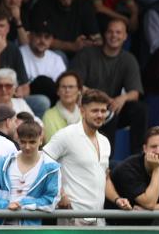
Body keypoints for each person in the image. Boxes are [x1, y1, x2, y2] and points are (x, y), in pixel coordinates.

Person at [42, 89, 132, 226]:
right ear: (82, 111)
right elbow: (43, 163)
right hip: (72, 217)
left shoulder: (104, 141)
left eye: (103, 111)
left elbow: (104, 177)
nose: (100, 115)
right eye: (95, 111)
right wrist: (59, 193)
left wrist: (117, 199)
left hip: (99, 218)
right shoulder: (66, 135)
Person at [70, 18, 148, 150]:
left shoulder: (128, 59)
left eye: (118, 32)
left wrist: (123, 98)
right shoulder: (87, 54)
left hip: (112, 107)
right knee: (109, 112)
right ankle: (105, 162)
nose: (114, 36)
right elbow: (74, 83)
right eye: (110, 32)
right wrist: (101, 98)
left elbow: (135, 93)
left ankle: (138, 157)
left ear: (125, 36)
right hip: (86, 105)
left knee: (140, 109)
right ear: (105, 34)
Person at [110, 126, 159, 221]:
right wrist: (157, 168)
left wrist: (153, 209)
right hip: (117, 224)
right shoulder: (129, 168)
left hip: (147, 224)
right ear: (145, 149)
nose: (158, 151)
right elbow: (149, 203)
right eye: (153, 146)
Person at [30, 0, 100, 57]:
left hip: (79, 56)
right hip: (51, 54)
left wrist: (93, 42)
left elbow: (95, 36)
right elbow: (37, 39)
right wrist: (72, 46)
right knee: (59, 54)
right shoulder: (42, 6)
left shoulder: (85, 7)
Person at [20, 27, 67, 104]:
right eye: (38, 36)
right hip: (26, 100)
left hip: (53, 101)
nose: (42, 40)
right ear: (30, 36)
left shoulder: (57, 59)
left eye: (47, 37)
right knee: (42, 83)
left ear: (52, 40)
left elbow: (61, 88)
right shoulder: (19, 54)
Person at [42, 71, 84, 142]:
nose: (67, 90)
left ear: (79, 90)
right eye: (63, 87)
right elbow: (53, 147)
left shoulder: (84, 114)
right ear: (58, 91)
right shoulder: (49, 116)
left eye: (71, 87)